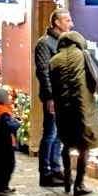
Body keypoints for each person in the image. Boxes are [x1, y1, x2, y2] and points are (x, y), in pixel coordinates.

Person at [53, 24, 98, 196]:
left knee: (66, 143)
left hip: (62, 109)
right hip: (82, 107)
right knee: (84, 145)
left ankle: (67, 179)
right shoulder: (83, 55)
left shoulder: (54, 60)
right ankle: (79, 184)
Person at [34, 12, 71, 186]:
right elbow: (43, 72)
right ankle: (45, 172)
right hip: (54, 95)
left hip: (64, 95)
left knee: (59, 134)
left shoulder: (65, 42)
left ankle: (56, 169)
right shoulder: (44, 43)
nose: (71, 23)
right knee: (50, 133)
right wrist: (50, 97)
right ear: (57, 23)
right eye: (67, 20)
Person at [0, 86, 20, 196]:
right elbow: (10, 126)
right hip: (5, 144)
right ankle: (2, 187)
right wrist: (17, 123)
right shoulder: (3, 113)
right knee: (8, 166)